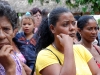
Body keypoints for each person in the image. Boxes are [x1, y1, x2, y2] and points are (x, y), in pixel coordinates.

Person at [35, 7, 100, 75]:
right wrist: (68, 46)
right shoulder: (45, 55)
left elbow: (97, 72)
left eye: (73, 23)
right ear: (52, 28)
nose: (72, 28)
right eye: (65, 24)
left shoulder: (81, 49)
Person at [0, 0, 26, 75]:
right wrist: (10, 69)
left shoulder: (13, 58)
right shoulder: (11, 62)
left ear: (14, 32)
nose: (1, 36)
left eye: (6, 29)